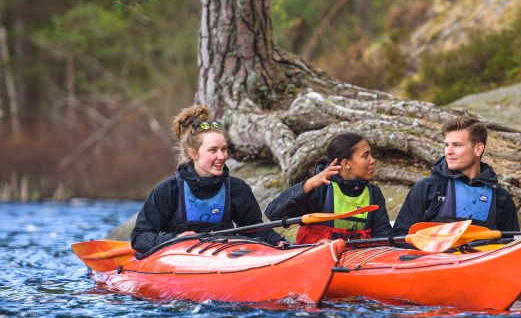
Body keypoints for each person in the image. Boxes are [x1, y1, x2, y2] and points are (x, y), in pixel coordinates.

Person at [131, 105, 287, 254]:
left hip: (224, 261)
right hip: (178, 264)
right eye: (213, 150)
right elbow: (139, 237)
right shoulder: (168, 190)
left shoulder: (237, 189)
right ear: (193, 153)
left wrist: (277, 242)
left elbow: (255, 229)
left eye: (224, 149)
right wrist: (175, 239)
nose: (221, 156)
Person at [392, 117, 520, 237]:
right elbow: (400, 237)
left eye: (457, 145)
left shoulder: (500, 197)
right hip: (434, 260)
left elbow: (512, 245)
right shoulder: (427, 188)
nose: (449, 151)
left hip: (483, 259)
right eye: (447, 145)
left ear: (478, 149)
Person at [265, 132, 391, 242]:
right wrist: (309, 184)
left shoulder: (374, 193)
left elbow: (382, 235)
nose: (373, 160)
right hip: (317, 262)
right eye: (365, 156)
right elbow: (273, 213)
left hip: (355, 264)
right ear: (346, 163)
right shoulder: (321, 189)